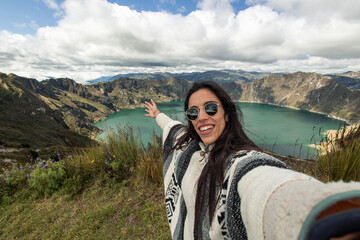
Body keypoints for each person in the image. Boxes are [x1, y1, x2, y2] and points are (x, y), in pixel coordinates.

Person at [144, 80, 360, 240]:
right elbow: (171, 126)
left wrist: (321, 213)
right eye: (193, 112)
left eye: (210, 108)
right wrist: (157, 114)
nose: (201, 117)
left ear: (227, 114)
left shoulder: (239, 161)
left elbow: (261, 182)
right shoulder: (188, 143)